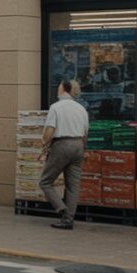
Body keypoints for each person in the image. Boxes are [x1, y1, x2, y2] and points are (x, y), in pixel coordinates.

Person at [39, 80, 91, 230]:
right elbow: (85, 133)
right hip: (78, 145)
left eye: (59, 86)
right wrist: (83, 149)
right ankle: (68, 219)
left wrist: (43, 143)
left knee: (45, 181)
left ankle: (61, 208)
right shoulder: (81, 109)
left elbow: (50, 129)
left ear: (63, 89)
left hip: (62, 145)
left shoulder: (56, 107)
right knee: (73, 185)